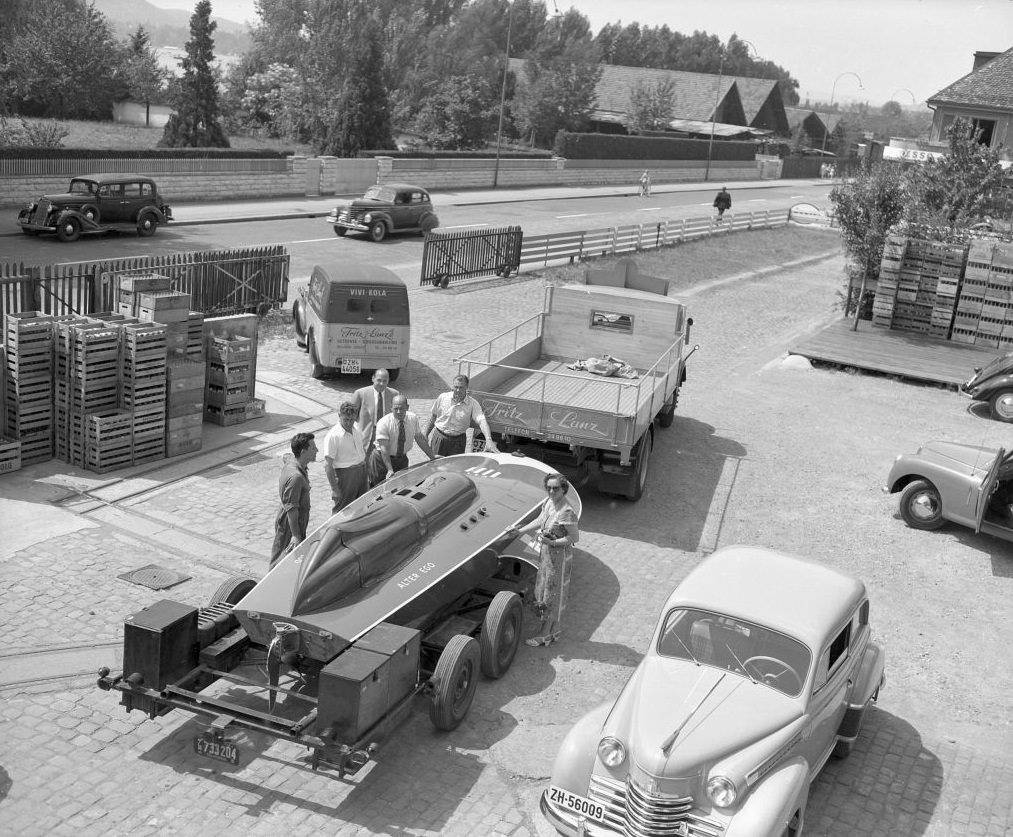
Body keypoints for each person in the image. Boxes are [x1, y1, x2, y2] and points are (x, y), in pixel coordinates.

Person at [504, 473, 579, 647]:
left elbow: (574, 537)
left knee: (553, 594)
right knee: (548, 590)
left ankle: (544, 634)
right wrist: (520, 530)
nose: (551, 491)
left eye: (556, 488)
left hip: (559, 557)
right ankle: (556, 629)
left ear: (563, 490)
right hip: (547, 554)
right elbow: (540, 520)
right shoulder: (548, 503)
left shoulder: (566, 512)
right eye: (549, 488)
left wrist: (552, 541)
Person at [270, 432, 317, 568]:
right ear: (303, 452)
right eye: (313, 448)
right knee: (280, 559)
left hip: (295, 521)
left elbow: (286, 457)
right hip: (290, 525)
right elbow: (292, 510)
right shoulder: (296, 478)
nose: (317, 451)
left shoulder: (293, 460)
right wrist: (296, 535)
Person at [370, 395, 438, 483]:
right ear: (391, 408)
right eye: (396, 409)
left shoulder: (413, 419)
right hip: (382, 460)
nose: (399, 412)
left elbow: (419, 438)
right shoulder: (383, 423)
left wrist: (432, 456)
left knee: (400, 486)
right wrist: (390, 469)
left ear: (407, 407)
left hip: (401, 459)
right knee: (378, 487)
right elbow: (384, 449)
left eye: (402, 408)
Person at [427, 374, 498, 456]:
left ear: (466, 388)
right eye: (456, 387)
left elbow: (482, 421)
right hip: (439, 438)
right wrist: (425, 434)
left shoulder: (472, 404)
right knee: (435, 466)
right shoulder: (442, 397)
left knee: (456, 468)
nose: (457, 390)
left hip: (458, 442)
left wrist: (488, 439)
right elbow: (433, 416)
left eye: (461, 387)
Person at [352, 369, 400, 484]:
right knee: (364, 462)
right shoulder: (360, 393)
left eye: (385, 381)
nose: (382, 384)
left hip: (385, 434)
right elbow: (351, 416)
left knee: (382, 460)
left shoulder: (394, 394)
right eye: (379, 380)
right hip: (368, 434)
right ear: (373, 379)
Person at [323, 400, 368, 514]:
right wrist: (334, 489)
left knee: (362, 505)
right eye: (346, 419)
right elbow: (328, 465)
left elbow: (362, 449)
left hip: (361, 472)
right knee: (343, 509)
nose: (349, 423)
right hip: (345, 475)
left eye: (352, 419)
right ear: (339, 416)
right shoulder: (333, 436)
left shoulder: (356, 428)